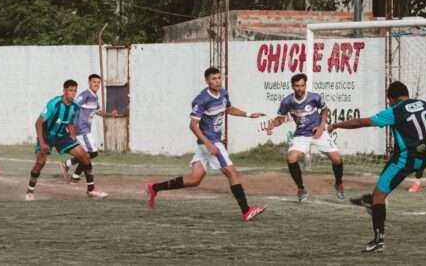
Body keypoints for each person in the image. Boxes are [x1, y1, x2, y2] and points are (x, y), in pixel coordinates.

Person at [329, 81, 426, 253]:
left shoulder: (395, 110)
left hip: (407, 159)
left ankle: (378, 239)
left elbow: (363, 122)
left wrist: (337, 125)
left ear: (392, 98)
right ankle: (372, 200)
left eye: (389, 100)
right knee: (386, 176)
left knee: (380, 195)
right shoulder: (425, 105)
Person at [145, 67, 266, 222]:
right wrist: (208, 143)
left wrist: (248, 114)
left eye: (218, 78)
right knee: (232, 173)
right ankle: (246, 211)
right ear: (207, 81)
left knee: (194, 180)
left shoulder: (223, 93)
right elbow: (193, 125)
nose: (217, 81)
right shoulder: (201, 99)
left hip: (208, 143)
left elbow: (228, 108)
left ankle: (154, 188)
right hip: (210, 141)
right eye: (213, 79)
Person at [266, 73, 345, 202]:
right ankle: (301, 188)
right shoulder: (287, 101)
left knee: (337, 159)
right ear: (292, 86)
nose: (300, 88)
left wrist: (321, 127)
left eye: (302, 85)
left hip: (318, 132)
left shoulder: (315, 97)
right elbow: (280, 119)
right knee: (291, 158)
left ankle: (339, 183)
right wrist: (271, 126)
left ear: (305, 85)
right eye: (297, 86)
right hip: (301, 134)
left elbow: (325, 110)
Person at [26, 79, 108, 200]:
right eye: (70, 90)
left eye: (75, 91)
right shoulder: (54, 104)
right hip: (47, 135)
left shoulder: (75, 106)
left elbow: (70, 122)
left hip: (62, 136)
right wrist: (42, 142)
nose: (73, 93)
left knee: (85, 157)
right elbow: (38, 123)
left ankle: (91, 190)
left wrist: (73, 136)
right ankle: (30, 191)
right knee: (40, 163)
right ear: (64, 91)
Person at [60, 74, 118, 182]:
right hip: (81, 129)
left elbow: (99, 112)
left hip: (85, 129)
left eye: (98, 82)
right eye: (94, 82)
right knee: (93, 153)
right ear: (89, 82)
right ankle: (75, 175)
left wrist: (111, 114)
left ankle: (68, 166)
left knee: (86, 154)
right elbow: (73, 105)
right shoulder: (85, 95)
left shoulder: (95, 98)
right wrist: (68, 123)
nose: (96, 84)